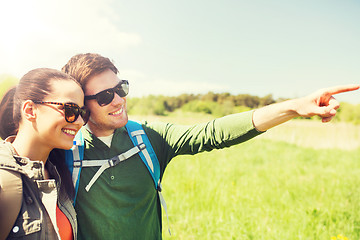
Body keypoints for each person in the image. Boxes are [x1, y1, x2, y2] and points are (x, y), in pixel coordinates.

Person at [62, 53, 359, 239]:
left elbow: (213, 132)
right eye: (104, 97)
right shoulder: (63, 151)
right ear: (81, 106)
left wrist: (294, 107)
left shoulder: (148, 139)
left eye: (121, 88)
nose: (118, 100)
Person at [0, 68, 90, 240]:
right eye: (70, 110)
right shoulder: (3, 179)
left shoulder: (60, 174)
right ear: (30, 110)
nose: (79, 122)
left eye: (82, 113)